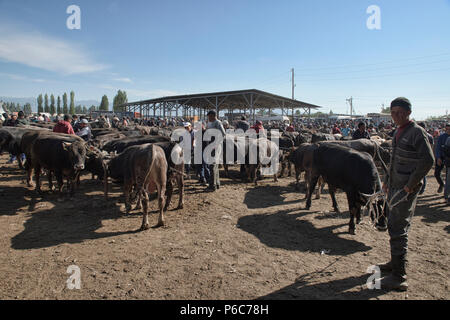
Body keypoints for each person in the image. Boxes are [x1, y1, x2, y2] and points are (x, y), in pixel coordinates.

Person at [378, 97, 434, 291]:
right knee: (394, 225)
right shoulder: (398, 132)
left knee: (398, 228)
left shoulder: (416, 132)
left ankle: (399, 276)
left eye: (399, 113)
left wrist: (411, 184)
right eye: (393, 113)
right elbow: (393, 159)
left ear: (408, 113)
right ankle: (395, 263)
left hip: (404, 189)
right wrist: (386, 179)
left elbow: (428, 160)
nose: (396, 116)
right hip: (395, 186)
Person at [205, 110, 226, 192]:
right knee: (215, 166)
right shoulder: (210, 123)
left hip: (215, 146)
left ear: (213, 116)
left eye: (209, 116)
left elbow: (223, 134)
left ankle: (212, 185)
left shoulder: (218, 123)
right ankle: (217, 183)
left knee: (212, 166)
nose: (208, 118)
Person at [418, 122, 434, 194]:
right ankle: (422, 188)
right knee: (423, 173)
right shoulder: (430, 136)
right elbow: (431, 148)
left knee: (421, 173)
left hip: (420, 156)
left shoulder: (418, 135)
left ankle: (421, 188)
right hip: (425, 156)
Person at [434, 123, 450, 193]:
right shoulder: (441, 137)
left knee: (448, 176)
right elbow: (438, 148)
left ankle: (447, 191)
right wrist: (438, 157)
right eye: (447, 129)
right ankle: (441, 184)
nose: (448, 130)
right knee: (437, 173)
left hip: (448, 159)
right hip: (441, 157)